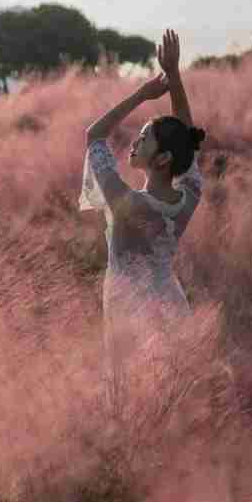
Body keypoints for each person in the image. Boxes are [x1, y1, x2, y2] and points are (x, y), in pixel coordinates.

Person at [79, 29, 206, 379]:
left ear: (163, 158)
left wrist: (143, 94)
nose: (135, 142)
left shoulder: (127, 202)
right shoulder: (189, 197)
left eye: (144, 138)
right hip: (172, 307)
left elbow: (94, 135)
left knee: (133, 402)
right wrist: (176, 78)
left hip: (128, 316)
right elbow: (185, 140)